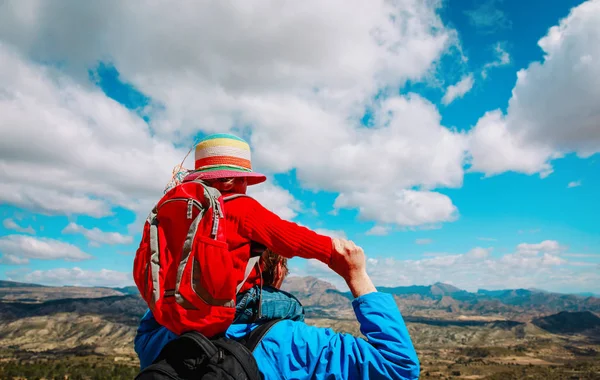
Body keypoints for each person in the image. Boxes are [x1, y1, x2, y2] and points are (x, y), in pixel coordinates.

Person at [135, 241, 421, 379]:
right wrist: (356, 275)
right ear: (277, 271)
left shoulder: (162, 334)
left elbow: (160, 307)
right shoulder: (301, 343)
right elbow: (399, 367)